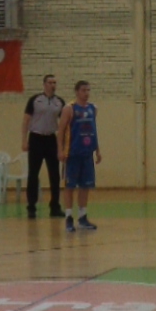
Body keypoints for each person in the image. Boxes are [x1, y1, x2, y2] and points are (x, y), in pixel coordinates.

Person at [23, 75, 66, 220]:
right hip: (36, 138)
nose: (53, 85)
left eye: (54, 82)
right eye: (50, 82)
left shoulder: (59, 102)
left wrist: (63, 145)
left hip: (51, 139)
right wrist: (24, 140)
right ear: (44, 84)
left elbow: (64, 123)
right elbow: (26, 120)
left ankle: (55, 207)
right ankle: (31, 207)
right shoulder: (35, 100)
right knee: (33, 174)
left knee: (54, 175)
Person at [58, 81, 100, 231]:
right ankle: (69, 218)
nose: (86, 93)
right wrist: (60, 150)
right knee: (70, 186)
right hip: (72, 153)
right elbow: (61, 131)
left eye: (88, 90)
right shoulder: (69, 109)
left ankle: (82, 217)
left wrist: (97, 150)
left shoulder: (93, 108)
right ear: (77, 92)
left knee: (85, 186)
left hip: (87, 153)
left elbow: (93, 130)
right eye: (83, 90)